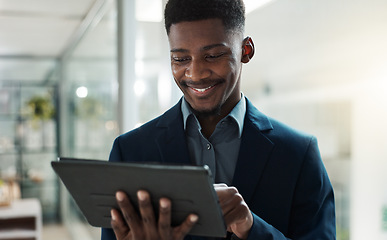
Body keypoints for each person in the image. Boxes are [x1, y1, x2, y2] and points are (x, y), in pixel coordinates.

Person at [101, 0, 336, 239]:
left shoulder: (298, 154)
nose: (195, 74)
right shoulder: (130, 151)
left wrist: (251, 227)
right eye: (181, 59)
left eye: (213, 55)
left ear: (246, 50)